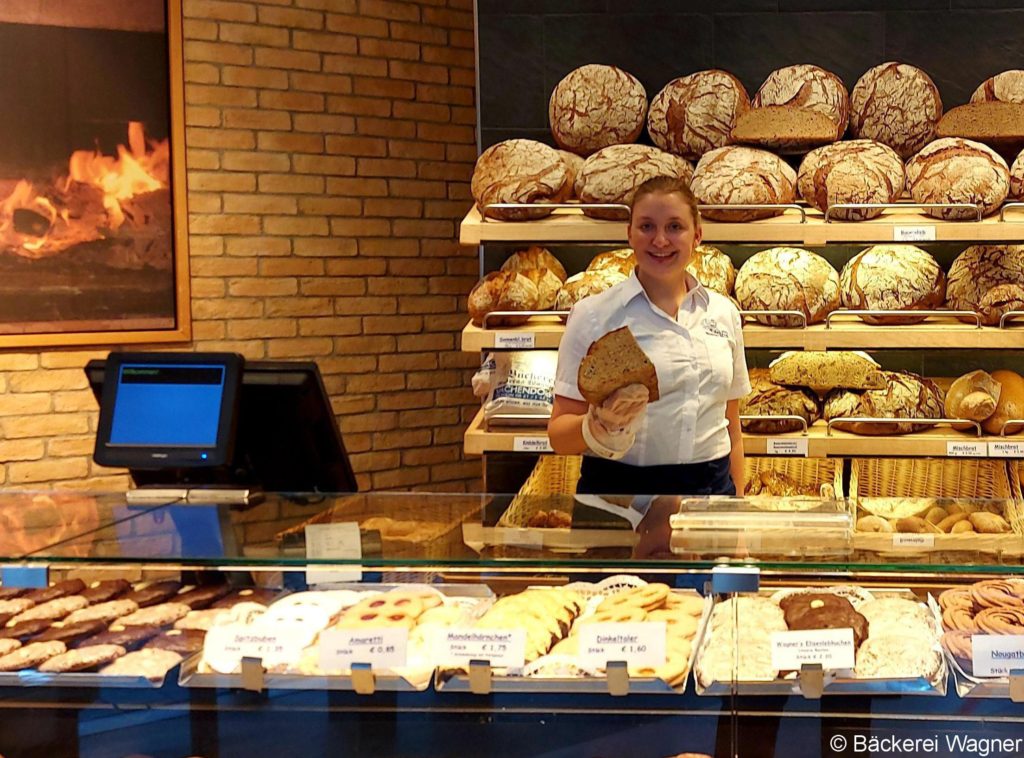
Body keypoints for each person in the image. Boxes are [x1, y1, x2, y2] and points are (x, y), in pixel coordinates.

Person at [548, 175, 751, 497]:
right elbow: (559, 436)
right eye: (646, 226)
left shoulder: (723, 313)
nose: (660, 240)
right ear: (629, 234)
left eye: (674, 227)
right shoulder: (594, 315)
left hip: (711, 491)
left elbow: (731, 426)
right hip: (619, 495)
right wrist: (598, 424)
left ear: (697, 235)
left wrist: (737, 510)